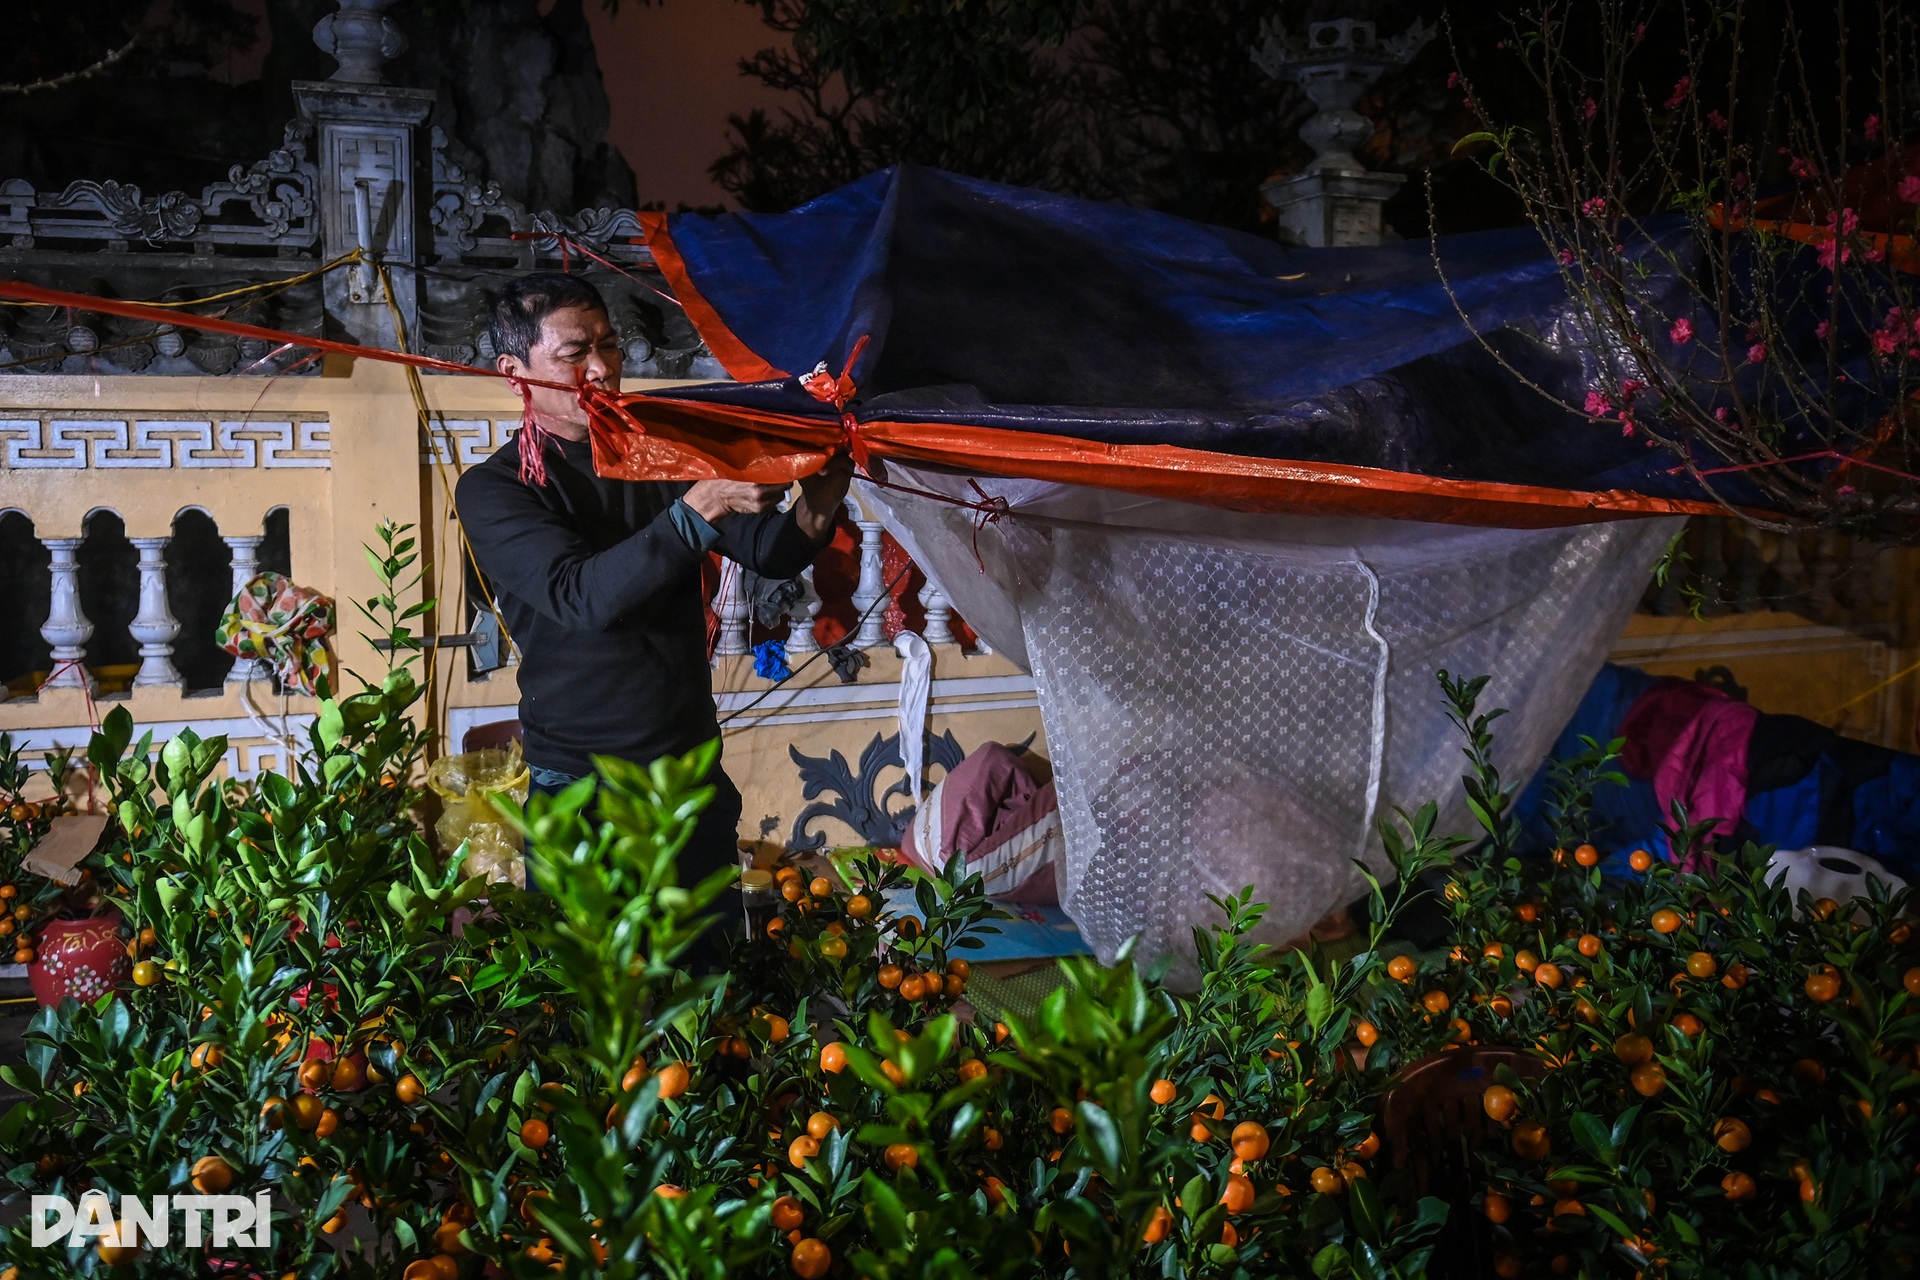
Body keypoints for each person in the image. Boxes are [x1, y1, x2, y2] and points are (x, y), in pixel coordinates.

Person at [454, 272, 853, 917]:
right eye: (574, 354)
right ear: (515, 371)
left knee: (705, 991)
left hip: (688, 774)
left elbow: (769, 552)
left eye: (609, 347)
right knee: (594, 999)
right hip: (583, 786)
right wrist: (700, 507)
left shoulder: (657, 454)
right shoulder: (495, 489)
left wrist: (820, 500)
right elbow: (580, 597)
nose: (602, 370)